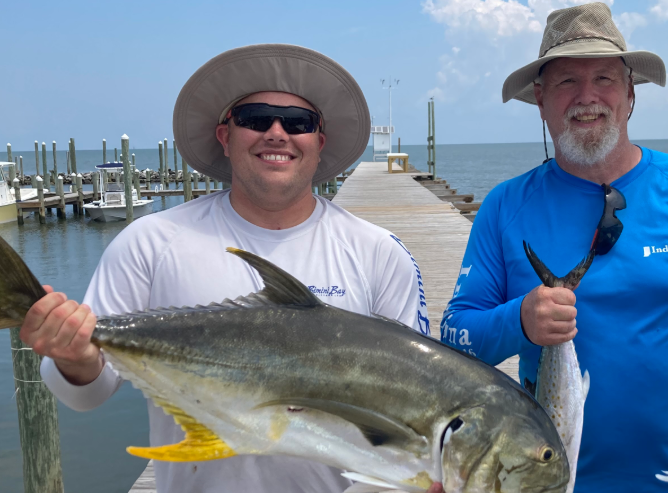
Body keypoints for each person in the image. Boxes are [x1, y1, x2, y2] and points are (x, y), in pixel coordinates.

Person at [19, 44, 432, 493]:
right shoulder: (150, 243)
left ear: (319, 141)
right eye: (255, 118)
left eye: (298, 123)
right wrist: (74, 357)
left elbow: (418, 404)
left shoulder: (379, 253)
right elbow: (87, 394)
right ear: (225, 135)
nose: (277, 133)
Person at [439, 3, 668, 493]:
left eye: (604, 78)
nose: (587, 98)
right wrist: (519, 322)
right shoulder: (505, 207)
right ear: (540, 99)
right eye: (565, 82)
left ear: (629, 94)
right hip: (550, 481)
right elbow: (455, 336)